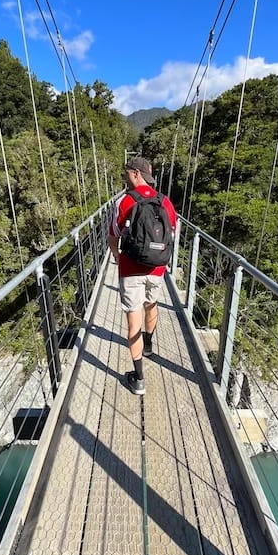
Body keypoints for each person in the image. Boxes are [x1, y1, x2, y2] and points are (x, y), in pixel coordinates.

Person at [108, 157, 177, 395]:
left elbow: (113, 236)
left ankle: (138, 378)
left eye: (126, 172)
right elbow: (171, 235)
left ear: (136, 173)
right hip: (157, 269)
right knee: (152, 304)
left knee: (132, 319)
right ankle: (148, 344)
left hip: (130, 269)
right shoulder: (165, 202)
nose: (124, 176)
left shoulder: (124, 201)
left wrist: (118, 257)